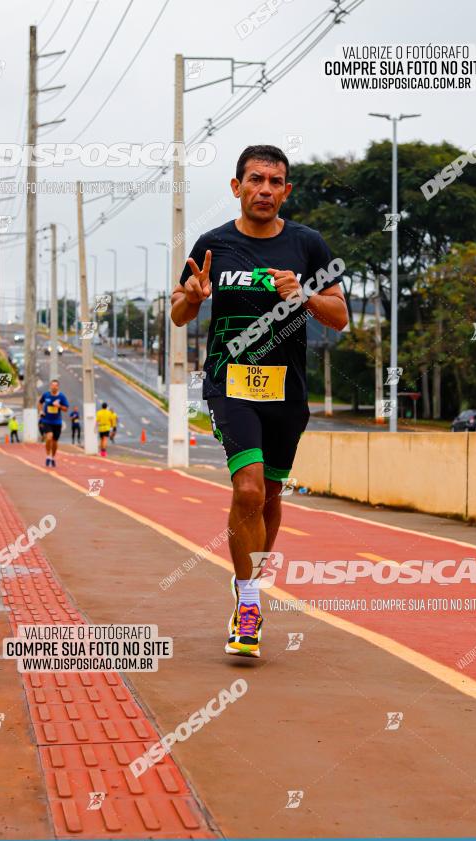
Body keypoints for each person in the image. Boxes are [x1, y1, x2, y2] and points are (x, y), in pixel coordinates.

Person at [171, 144, 348, 657]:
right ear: (237, 187)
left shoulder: (308, 244)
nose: (265, 189)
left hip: (286, 390)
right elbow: (179, 313)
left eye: (275, 182)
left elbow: (338, 317)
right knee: (247, 490)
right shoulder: (213, 244)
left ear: (285, 191)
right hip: (229, 384)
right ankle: (248, 601)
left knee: (269, 496)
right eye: (255, 180)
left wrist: (304, 296)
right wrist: (193, 296)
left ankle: (249, 588)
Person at [38, 379, 69, 467]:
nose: (54, 387)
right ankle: (48, 455)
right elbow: (40, 403)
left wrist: (59, 406)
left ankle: (53, 457)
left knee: (55, 441)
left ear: (58, 387)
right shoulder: (46, 395)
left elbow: (66, 409)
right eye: (52, 385)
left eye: (56, 385)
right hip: (47, 421)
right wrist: (40, 411)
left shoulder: (61, 397)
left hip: (57, 422)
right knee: (49, 437)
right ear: (50, 386)